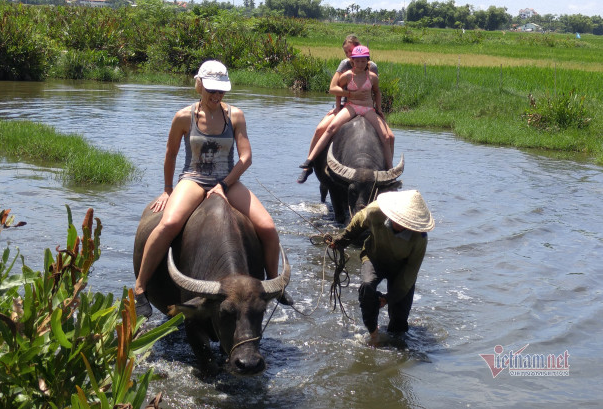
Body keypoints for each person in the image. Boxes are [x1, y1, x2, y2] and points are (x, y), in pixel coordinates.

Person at [134, 60, 292, 318]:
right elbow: (171, 154)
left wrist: (224, 185)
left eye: (221, 92)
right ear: (199, 86)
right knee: (168, 224)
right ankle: (140, 288)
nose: (216, 96)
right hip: (193, 179)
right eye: (211, 91)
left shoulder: (235, 115)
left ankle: (273, 284)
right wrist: (167, 189)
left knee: (268, 227)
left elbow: (246, 157)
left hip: (227, 181)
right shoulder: (184, 117)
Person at [328, 190, 434, 343]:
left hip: (401, 268)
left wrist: (388, 298)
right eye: (399, 218)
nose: (400, 223)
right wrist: (341, 240)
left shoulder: (420, 238)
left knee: (399, 320)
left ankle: (397, 345)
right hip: (374, 257)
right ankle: (373, 333)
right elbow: (358, 221)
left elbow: (410, 273)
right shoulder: (376, 211)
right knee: (367, 287)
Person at [297, 45, 395, 184]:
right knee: (330, 128)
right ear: (352, 60)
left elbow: (377, 92)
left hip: (367, 108)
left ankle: (390, 171)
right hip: (351, 106)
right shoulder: (347, 74)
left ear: (367, 61)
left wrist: (378, 109)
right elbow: (336, 89)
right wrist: (338, 107)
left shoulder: (372, 76)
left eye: (363, 61)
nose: (360, 63)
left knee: (386, 136)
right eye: (357, 60)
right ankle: (310, 161)